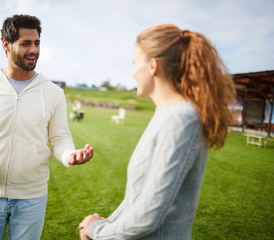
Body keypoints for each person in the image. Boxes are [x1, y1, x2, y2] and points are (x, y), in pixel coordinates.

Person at [79, 24, 235, 239]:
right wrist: (105, 225)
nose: (132, 72)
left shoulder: (181, 119)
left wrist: (97, 230)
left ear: (152, 66)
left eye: (134, 63)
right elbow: (138, 199)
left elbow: (148, 215)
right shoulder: (166, 114)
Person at [0, 14, 93, 240]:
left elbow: (59, 138)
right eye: (25, 43)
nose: (34, 50)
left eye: (37, 43)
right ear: (6, 45)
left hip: (32, 198)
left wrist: (69, 156)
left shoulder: (53, 92)